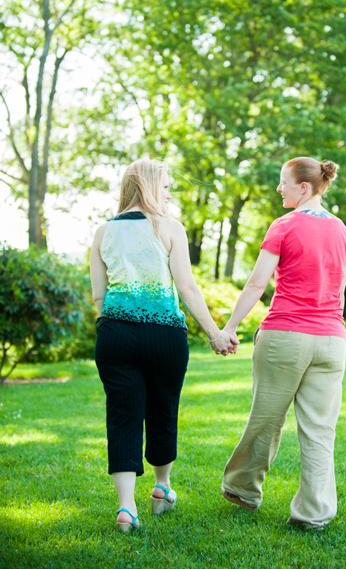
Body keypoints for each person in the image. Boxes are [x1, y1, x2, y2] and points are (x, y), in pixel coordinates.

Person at [90, 158, 239, 533]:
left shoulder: (102, 231)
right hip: (164, 335)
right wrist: (214, 333)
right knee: (162, 409)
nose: (170, 193)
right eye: (166, 185)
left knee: (122, 415)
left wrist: (114, 325)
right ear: (148, 186)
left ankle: (126, 509)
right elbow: (186, 288)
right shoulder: (169, 227)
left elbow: (98, 296)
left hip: (115, 334)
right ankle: (161, 488)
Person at [219, 157, 346, 531]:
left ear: (304, 188)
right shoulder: (343, 232)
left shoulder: (285, 225)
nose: (279, 188)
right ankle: (314, 514)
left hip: (285, 336)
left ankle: (243, 489)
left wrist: (230, 327)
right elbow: (338, 293)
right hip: (331, 340)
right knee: (320, 429)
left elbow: (255, 284)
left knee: (266, 417)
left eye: (283, 182)